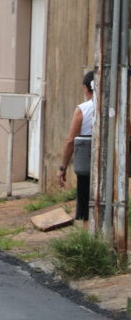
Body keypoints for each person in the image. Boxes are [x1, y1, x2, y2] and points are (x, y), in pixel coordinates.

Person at [59, 70, 95, 223]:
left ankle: (89, 234)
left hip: (86, 163)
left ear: (86, 88)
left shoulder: (82, 109)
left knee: (85, 208)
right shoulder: (117, 107)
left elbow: (70, 141)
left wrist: (62, 167)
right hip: (112, 165)